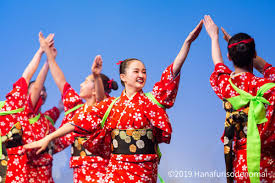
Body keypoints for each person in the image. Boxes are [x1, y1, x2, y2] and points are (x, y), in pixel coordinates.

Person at [25, 20, 203, 183]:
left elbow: (171, 73)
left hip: (145, 171)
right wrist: (48, 137)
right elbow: (76, 123)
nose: (141, 75)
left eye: (144, 71)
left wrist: (186, 44)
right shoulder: (110, 106)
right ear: (123, 77)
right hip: (116, 171)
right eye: (136, 71)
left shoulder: (152, 100)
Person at [204, 15, 275, 183]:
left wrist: (214, 37)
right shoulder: (270, 87)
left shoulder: (227, 86)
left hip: (242, 165)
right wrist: (242, 48)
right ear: (255, 54)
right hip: (269, 164)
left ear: (230, 57)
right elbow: (268, 69)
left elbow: (218, 65)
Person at [45, 42, 118, 182]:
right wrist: (50, 57)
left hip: (102, 171)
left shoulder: (107, 108)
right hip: (80, 173)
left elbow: (101, 100)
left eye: (86, 81)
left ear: (96, 88)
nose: (81, 84)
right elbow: (61, 82)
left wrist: (96, 76)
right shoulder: (76, 109)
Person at [0, 33, 53, 183]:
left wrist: (43, 53)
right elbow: (28, 77)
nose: (40, 93)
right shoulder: (13, 104)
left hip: (15, 167)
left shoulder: (14, 103)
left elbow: (28, 77)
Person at [24, 34, 63, 183]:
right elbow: (36, 89)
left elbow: (58, 109)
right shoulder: (24, 113)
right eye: (37, 89)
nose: (41, 92)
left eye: (44, 90)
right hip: (27, 177)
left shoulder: (46, 119)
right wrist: (48, 60)